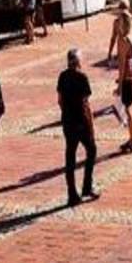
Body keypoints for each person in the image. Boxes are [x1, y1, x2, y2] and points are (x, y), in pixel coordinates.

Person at [56, 48, 98, 206]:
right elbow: (86, 103)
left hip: (68, 121)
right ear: (78, 61)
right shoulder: (82, 77)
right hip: (81, 121)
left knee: (70, 156)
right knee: (91, 150)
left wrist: (66, 112)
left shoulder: (62, 76)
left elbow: (60, 100)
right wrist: (91, 124)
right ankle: (87, 186)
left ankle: (72, 193)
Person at [114, 11, 132, 153]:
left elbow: (121, 64)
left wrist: (119, 86)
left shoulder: (123, 40)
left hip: (127, 78)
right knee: (131, 107)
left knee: (128, 109)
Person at [106, 0, 132, 65]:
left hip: (122, 49)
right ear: (129, 8)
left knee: (123, 68)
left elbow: (113, 39)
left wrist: (110, 52)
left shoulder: (116, 22)